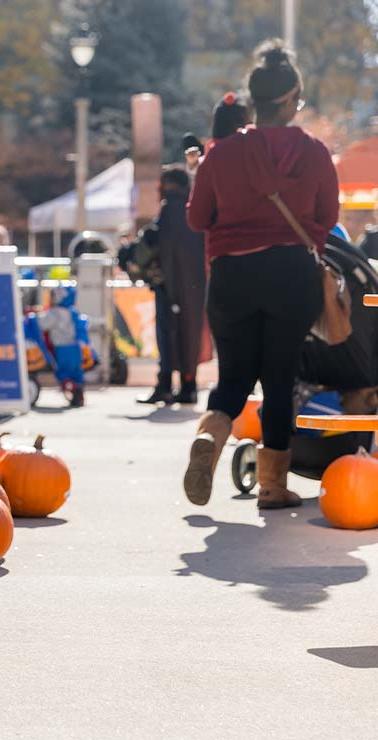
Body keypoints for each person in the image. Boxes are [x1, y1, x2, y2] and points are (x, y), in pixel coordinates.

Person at [183, 40, 339, 510]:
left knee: (233, 378)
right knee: (279, 377)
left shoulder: (223, 154)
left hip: (232, 274)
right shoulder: (314, 152)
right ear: (291, 100)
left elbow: (197, 219)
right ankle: (272, 485)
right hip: (291, 274)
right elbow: (328, 216)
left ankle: (211, 437)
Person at [141, 166, 207, 405]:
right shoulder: (195, 210)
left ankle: (166, 385)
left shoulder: (170, 210)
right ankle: (189, 386)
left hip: (170, 287)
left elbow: (166, 251)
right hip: (195, 287)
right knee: (190, 335)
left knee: (168, 335)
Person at [38, 286, 88, 408]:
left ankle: (72, 388)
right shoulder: (74, 312)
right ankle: (78, 396)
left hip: (62, 348)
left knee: (63, 372)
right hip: (75, 347)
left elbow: (42, 324)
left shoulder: (54, 313)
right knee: (76, 373)